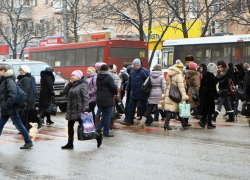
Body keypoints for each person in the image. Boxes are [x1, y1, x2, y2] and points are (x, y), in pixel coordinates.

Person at [62, 70, 102, 149]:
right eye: (71, 75)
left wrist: (85, 109)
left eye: (74, 75)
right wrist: (70, 83)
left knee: (86, 128)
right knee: (70, 126)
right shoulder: (72, 85)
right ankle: (70, 143)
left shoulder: (83, 85)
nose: (72, 76)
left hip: (80, 110)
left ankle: (98, 136)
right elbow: (65, 91)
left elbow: (85, 98)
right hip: (71, 109)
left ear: (78, 76)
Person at [0, 67, 33, 149]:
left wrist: (7, 106)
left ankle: (28, 141)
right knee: (0, 124)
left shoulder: (9, 81)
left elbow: (13, 95)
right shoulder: (5, 81)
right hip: (7, 108)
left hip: (10, 108)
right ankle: (28, 141)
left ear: (3, 71)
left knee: (19, 125)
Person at [120, 58, 150, 126]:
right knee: (131, 107)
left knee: (145, 107)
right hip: (134, 93)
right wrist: (127, 89)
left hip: (142, 93)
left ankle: (148, 120)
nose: (134, 66)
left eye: (135, 65)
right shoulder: (132, 71)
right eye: (133, 65)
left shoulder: (144, 71)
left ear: (139, 65)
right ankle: (128, 120)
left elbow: (149, 81)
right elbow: (130, 81)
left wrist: (147, 91)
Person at [162, 60, 189, 130]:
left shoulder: (169, 73)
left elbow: (166, 85)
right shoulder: (179, 75)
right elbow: (181, 87)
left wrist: (165, 94)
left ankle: (183, 124)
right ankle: (166, 124)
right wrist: (184, 95)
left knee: (174, 109)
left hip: (169, 93)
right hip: (176, 94)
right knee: (172, 110)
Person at [17, 65, 43, 131]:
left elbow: (26, 90)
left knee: (25, 113)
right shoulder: (22, 78)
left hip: (26, 99)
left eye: (21, 70)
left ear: (25, 71)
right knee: (27, 113)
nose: (20, 71)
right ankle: (27, 126)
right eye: (20, 70)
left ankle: (28, 126)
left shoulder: (26, 78)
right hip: (24, 98)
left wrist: (24, 100)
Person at [96, 64, 118, 137]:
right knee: (107, 115)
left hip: (99, 98)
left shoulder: (98, 77)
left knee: (105, 115)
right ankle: (105, 131)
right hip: (107, 98)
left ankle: (98, 128)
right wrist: (115, 92)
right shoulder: (108, 77)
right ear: (107, 69)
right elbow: (113, 88)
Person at [198, 63, 218, 129]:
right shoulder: (212, 77)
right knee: (210, 110)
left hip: (204, 94)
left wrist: (200, 94)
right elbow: (213, 87)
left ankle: (203, 121)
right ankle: (209, 123)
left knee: (205, 109)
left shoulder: (205, 75)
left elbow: (201, 86)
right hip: (209, 95)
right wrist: (216, 95)